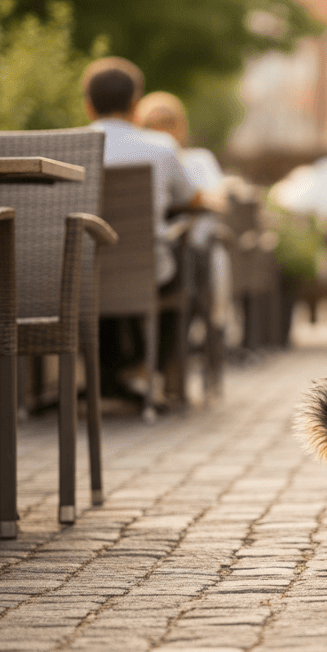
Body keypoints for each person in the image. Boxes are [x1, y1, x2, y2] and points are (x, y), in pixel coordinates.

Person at [82, 58, 205, 405]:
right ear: (136, 104)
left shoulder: (70, 147)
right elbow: (193, 196)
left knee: (99, 273)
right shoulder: (161, 148)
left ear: (87, 105)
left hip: (83, 271)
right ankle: (148, 367)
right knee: (188, 268)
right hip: (146, 269)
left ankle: (111, 374)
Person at [135, 90, 233, 341]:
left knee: (188, 266)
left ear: (181, 126)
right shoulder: (144, 157)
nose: (161, 130)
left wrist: (198, 198)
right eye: (152, 124)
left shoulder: (198, 160)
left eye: (168, 122)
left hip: (191, 241)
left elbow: (218, 198)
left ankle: (172, 352)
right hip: (145, 247)